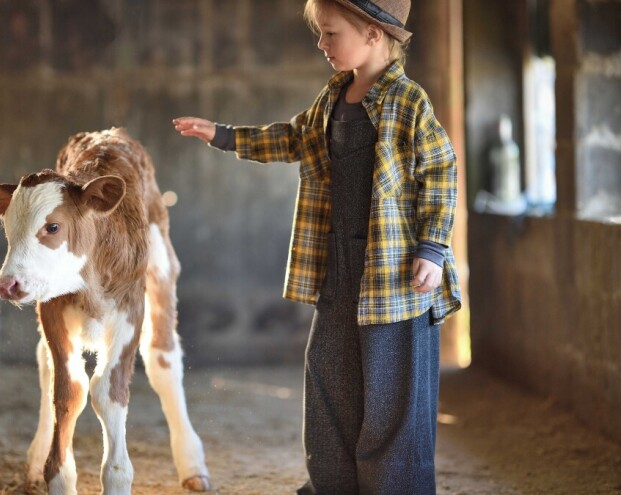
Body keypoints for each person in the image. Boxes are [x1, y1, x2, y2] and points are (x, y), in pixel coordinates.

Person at [172, 0, 461, 493]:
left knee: (393, 395)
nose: (321, 44)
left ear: (373, 33)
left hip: (396, 279)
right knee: (328, 376)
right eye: (322, 34)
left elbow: (440, 173)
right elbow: (290, 139)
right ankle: (333, 485)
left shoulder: (408, 102)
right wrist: (221, 135)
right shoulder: (333, 97)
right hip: (339, 268)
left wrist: (433, 249)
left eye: (330, 33)